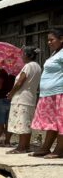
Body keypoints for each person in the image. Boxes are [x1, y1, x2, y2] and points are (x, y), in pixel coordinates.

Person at [30, 29, 63, 158]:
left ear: (61, 39)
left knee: (61, 122)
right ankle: (46, 147)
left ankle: (59, 150)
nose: (49, 42)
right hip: (49, 94)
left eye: (52, 40)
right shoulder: (56, 53)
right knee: (53, 123)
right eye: (48, 40)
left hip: (59, 93)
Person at [6, 46, 42, 154]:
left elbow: (20, 82)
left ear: (27, 55)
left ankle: (21, 148)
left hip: (21, 98)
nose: (21, 56)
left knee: (21, 123)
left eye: (23, 54)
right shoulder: (37, 66)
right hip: (30, 98)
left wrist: (11, 93)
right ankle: (26, 146)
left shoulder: (27, 66)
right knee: (27, 123)